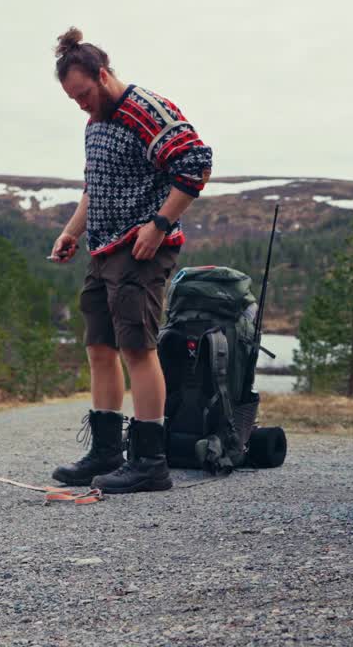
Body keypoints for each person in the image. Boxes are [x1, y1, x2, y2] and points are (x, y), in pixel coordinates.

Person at [47, 27, 212, 494]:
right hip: (101, 249)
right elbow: (92, 187)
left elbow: (196, 164)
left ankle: (150, 463)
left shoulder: (146, 110)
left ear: (102, 75)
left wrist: (159, 224)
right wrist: (70, 232)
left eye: (83, 94)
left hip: (140, 250)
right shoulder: (94, 120)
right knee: (100, 348)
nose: (81, 104)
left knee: (138, 349)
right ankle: (105, 452)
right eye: (73, 99)